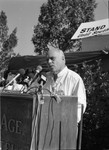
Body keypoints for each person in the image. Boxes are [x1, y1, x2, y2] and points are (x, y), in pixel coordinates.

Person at [44, 45, 86, 123]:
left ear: (63, 59)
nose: (49, 62)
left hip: (65, 128)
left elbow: (79, 107)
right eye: (47, 60)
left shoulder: (74, 79)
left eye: (52, 58)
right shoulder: (47, 79)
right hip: (46, 125)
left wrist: (63, 120)